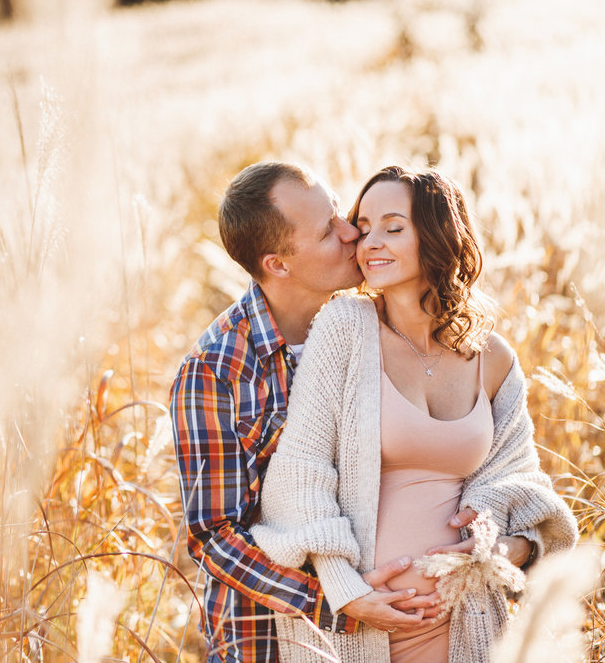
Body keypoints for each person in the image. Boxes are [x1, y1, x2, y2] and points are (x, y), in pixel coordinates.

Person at [250, 166, 578, 663]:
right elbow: (300, 472)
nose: (369, 243)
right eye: (363, 227)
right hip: (359, 626)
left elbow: (522, 483)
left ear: (439, 235)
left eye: (393, 227)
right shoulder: (343, 328)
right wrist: (346, 591)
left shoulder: (493, 358)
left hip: (465, 624)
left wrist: (515, 549)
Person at [170, 162, 492, 663]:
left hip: (414, 634)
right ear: (278, 264)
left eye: (343, 215)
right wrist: (339, 603)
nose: (353, 234)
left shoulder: (371, 325)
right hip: (272, 639)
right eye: (328, 232)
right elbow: (214, 536)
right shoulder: (217, 370)